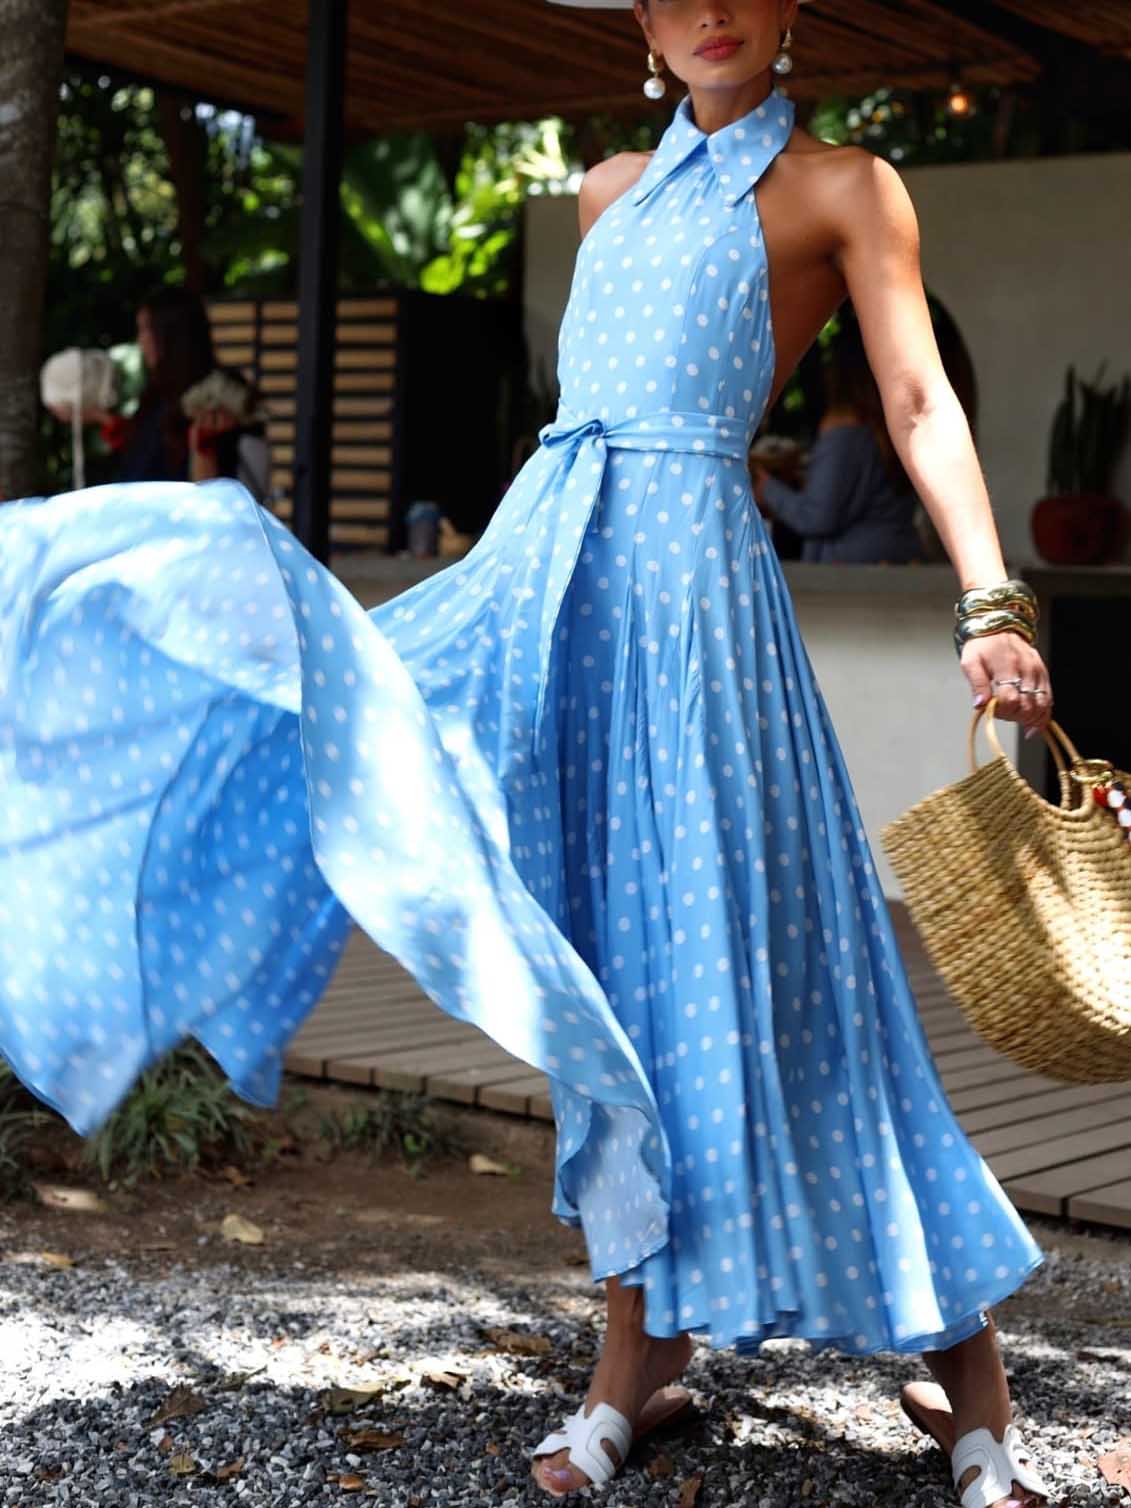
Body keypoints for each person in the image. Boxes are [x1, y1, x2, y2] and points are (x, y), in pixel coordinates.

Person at [0, 4, 1053, 1508]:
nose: (705, 9)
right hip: (554, 597)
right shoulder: (604, 189)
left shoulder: (841, 187)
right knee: (610, 985)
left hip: (700, 626)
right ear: (634, 13)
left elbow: (911, 400)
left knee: (800, 966)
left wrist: (987, 598)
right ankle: (637, 1369)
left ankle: (974, 1400)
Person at [752, 315, 927, 563]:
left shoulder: (845, 434)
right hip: (897, 556)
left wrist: (766, 487)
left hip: (853, 570)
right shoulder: (897, 421)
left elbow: (818, 517)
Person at [101, 286, 270, 499]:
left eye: (147, 329)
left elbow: (215, 498)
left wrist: (205, 447)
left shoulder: (216, 396)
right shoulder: (157, 397)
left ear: (172, 334)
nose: (141, 340)